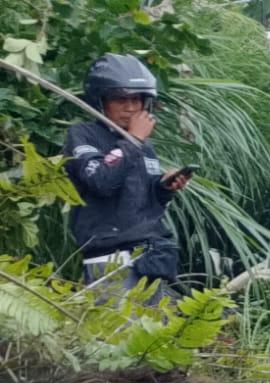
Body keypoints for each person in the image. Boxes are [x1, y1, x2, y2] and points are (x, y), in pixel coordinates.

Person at [64, 54, 192, 291]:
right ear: (100, 100)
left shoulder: (144, 146)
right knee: (120, 328)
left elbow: (144, 204)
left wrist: (163, 188)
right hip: (111, 261)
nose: (131, 108)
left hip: (151, 258)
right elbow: (101, 181)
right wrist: (134, 140)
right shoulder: (83, 135)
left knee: (159, 328)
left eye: (137, 99)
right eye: (120, 99)